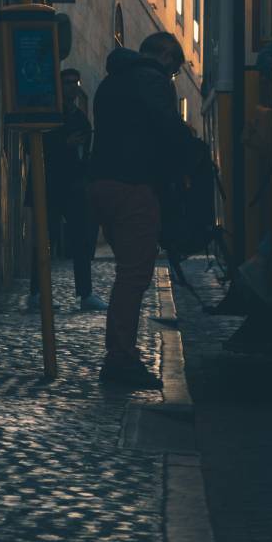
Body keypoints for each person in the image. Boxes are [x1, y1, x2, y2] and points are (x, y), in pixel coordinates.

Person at [86, 31, 199, 390]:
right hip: (133, 186)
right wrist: (192, 149)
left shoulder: (110, 82)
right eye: (175, 69)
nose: (172, 77)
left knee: (128, 274)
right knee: (134, 277)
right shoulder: (152, 81)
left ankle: (120, 355)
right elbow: (165, 132)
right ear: (164, 56)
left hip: (101, 183)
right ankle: (120, 359)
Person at [26, 68, 105, 313]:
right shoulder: (46, 114)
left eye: (75, 83)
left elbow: (85, 155)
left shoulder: (81, 119)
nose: (72, 86)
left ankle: (85, 293)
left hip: (73, 188)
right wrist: (64, 144)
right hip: (47, 186)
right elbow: (33, 146)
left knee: (81, 241)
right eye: (68, 82)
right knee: (44, 240)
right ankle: (37, 294)